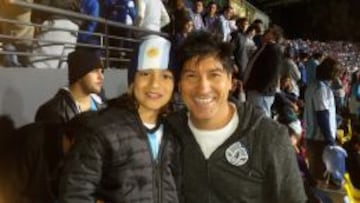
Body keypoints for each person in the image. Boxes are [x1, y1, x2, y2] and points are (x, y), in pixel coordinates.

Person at [167, 31, 306, 202]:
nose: (203, 88)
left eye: (214, 75)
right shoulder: (167, 133)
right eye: (191, 76)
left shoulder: (269, 137)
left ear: (230, 82)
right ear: (179, 85)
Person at [59, 35, 180, 203]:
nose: (155, 84)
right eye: (145, 74)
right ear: (132, 81)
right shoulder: (101, 129)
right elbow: (75, 193)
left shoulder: (175, 132)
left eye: (165, 76)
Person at [35, 49, 105, 124]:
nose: (101, 77)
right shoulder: (51, 112)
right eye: (94, 71)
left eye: (102, 72)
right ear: (79, 74)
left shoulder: (102, 105)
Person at [304, 57, 341, 183]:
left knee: (315, 175)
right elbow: (322, 115)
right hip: (319, 140)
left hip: (312, 137)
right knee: (319, 178)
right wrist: (330, 140)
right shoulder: (321, 89)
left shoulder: (312, 86)